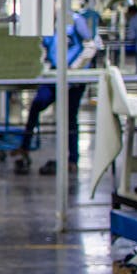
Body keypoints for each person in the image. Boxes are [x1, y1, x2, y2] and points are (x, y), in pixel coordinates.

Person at [14, 11, 97, 176]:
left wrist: (76, 67)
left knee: (69, 118)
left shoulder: (75, 21)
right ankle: (25, 147)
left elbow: (91, 46)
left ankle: (72, 159)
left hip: (74, 79)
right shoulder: (45, 25)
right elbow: (42, 49)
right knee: (37, 105)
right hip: (53, 76)